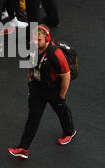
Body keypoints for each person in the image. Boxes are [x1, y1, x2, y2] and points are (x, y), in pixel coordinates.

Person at [8, 25, 75, 159]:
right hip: (37, 88)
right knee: (33, 117)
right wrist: (30, 75)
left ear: (47, 39)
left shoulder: (56, 54)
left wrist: (61, 97)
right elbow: (31, 62)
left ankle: (69, 131)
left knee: (61, 110)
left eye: (38, 40)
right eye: (33, 39)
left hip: (53, 91)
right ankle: (23, 148)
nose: (35, 42)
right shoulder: (33, 47)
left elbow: (66, 76)